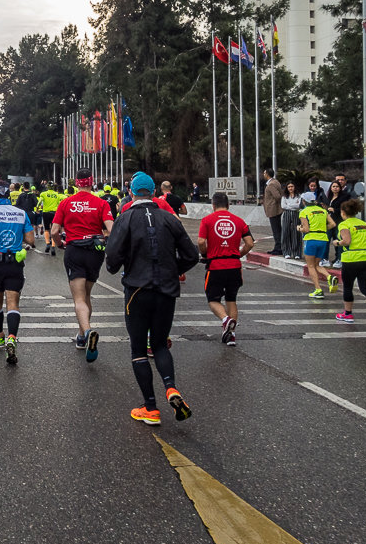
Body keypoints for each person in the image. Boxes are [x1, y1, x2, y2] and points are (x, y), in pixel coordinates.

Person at [106, 171, 200, 425]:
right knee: (159, 344)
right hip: (166, 290)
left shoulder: (124, 218)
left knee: (138, 349)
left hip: (137, 289)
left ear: (131, 192)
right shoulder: (170, 219)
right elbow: (192, 256)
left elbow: (112, 263)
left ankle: (151, 407)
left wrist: (126, 261)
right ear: (154, 193)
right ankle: (171, 388)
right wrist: (173, 268)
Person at [50, 168, 114, 362]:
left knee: (79, 299)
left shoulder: (66, 203)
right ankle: (80, 337)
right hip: (95, 251)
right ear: (91, 182)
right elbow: (111, 229)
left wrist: (60, 244)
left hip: (75, 249)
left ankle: (87, 333)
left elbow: (54, 231)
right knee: (87, 295)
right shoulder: (101, 203)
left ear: (76, 183)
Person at [0, 180, 35, 364]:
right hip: (14, 263)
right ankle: (12, 337)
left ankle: (0, 335)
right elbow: (30, 239)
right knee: (13, 303)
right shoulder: (20, 213)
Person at [197, 192, 255, 346]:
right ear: (229, 205)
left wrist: (205, 254)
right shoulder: (239, 221)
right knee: (231, 299)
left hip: (215, 265)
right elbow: (250, 243)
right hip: (235, 266)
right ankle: (231, 335)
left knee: (213, 300)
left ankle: (225, 320)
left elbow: (201, 241)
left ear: (213, 205)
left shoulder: (207, 220)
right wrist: (238, 254)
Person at [299, 196, 337, 298]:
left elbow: (306, 229)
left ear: (304, 201)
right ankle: (329, 277)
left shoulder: (304, 212)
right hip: (323, 239)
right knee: (317, 265)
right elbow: (333, 224)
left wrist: (299, 228)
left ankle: (318, 289)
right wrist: (324, 228)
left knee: (310, 266)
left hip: (311, 239)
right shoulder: (323, 211)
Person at [325, 176, 351, 268]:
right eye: (333, 186)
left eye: (337, 186)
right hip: (329, 222)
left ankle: (340, 259)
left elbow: (345, 208)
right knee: (326, 240)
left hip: (338, 222)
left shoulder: (344, 197)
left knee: (339, 241)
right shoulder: (328, 197)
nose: (335, 188)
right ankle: (325, 259)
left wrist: (334, 209)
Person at [263, 168, 283, 255]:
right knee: (277, 229)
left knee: (276, 230)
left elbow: (277, 196)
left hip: (274, 209)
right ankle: (278, 246)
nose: (263, 174)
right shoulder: (275, 182)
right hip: (274, 209)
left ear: (267, 174)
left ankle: (279, 247)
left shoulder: (271, 184)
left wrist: (278, 205)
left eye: (264, 173)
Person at [40, 182, 64, 256]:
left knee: (47, 229)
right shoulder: (57, 195)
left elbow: (40, 202)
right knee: (54, 230)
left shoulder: (43, 194)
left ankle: (47, 244)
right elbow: (59, 204)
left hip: (46, 212)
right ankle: (53, 246)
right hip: (54, 213)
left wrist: (38, 208)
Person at [280, 181, 302, 259]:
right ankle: (287, 252)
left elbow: (299, 205)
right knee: (285, 232)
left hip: (296, 214)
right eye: (289, 187)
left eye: (292, 186)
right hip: (287, 214)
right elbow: (283, 206)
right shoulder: (284, 197)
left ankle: (297, 253)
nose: (290, 188)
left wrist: (289, 205)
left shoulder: (298, 196)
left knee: (296, 233)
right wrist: (293, 205)